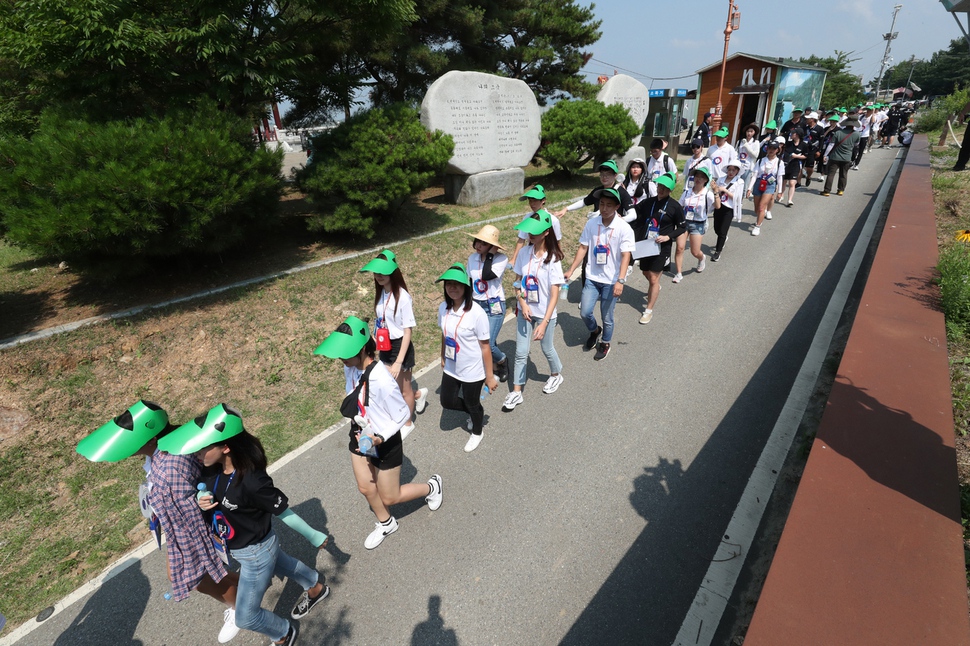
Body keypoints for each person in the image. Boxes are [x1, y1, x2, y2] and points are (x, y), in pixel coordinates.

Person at [159, 404, 331, 646]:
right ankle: (316, 587)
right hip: (246, 547)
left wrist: (313, 535)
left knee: (246, 617)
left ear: (226, 447)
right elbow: (204, 490)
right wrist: (201, 499)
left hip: (257, 552)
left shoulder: (253, 481)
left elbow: (284, 512)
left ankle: (283, 634)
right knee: (286, 565)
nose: (197, 452)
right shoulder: (211, 471)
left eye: (204, 447)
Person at [77, 401, 241, 644]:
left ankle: (242, 608)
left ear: (151, 439)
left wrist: (199, 554)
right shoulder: (164, 453)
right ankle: (247, 587)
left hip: (188, 532)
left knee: (200, 579)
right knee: (194, 577)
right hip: (180, 527)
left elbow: (190, 519)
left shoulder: (168, 469)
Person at [314, 317, 443, 543]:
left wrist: (379, 437)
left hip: (385, 440)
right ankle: (386, 523)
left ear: (363, 349)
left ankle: (432, 487)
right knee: (365, 487)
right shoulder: (350, 369)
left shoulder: (382, 378)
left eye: (346, 353)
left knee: (391, 496)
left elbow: (403, 413)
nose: (341, 358)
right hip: (361, 434)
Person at [359, 250, 428, 439]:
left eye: (382, 272)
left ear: (392, 272)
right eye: (376, 272)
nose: (378, 276)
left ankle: (407, 422)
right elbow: (380, 319)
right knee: (392, 387)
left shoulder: (403, 297)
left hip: (400, 347)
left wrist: (398, 362)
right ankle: (419, 395)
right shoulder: (381, 293)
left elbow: (407, 331)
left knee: (402, 389)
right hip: (384, 344)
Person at [502, 210, 566, 411]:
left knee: (547, 348)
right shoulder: (523, 253)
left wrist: (545, 322)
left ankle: (556, 374)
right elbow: (517, 282)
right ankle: (516, 392)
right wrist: (521, 302)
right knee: (521, 352)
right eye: (529, 231)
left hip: (546, 313)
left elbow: (555, 294)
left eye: (535, 231)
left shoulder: (554, 258)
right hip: (525, 310)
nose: (530, 234)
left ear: (546, 232)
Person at [564, 188, 635, 361]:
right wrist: (571, 269)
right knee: (585, 312)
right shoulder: (592, 223)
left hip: (611, 281)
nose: (604, 208)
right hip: (592, 277)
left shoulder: (624, 228)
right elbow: (583, 247)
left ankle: (605, 342)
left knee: (607, 316)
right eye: (602, 204)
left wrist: (621, 280)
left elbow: (626, 255)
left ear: (617, 206)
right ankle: (595, 331)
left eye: (608, 205)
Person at [435, 263, 499, 452]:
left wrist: (489, 376)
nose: (452, 288)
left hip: (473, 369)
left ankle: (478, 431)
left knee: (472, 402)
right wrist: (442, 356)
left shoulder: (477, 313)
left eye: (457, 284)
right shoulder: (443, 308)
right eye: (449, 284)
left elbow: (485, 347)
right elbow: (444, 334)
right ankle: (475, 412)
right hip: (451, 365)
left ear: (466, 287)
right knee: (447, 401)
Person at [631, 173, 686, 324]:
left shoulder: (675, 207)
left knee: (654, 278)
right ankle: (655, 285)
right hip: (645, 244)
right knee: (645, 272)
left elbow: (682, 227)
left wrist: (669, 236)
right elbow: (634, 211)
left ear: (670, 190)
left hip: (661, 247)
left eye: (664, 188)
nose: (661, 189)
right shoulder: (648, 202)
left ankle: (648, 310)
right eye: (659, 186)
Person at [465, 225, 510, 383]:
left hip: (494, 305)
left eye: (483, 244)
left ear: (492, 246)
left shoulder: (501, 259)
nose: (478, 246)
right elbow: (469, 281)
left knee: (488, 343)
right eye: (477, 241)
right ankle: (494, 368)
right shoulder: (472, 258)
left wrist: (490, 255)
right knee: (485, 339)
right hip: (477, 304)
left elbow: (486, 275)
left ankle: (502, 361)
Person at [554, 160, 634, 222]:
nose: (604, 177)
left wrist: (621, 220)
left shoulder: (622, 192)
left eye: (608, 174)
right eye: (602, 174)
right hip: (598, 227)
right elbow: (584, 202)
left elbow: (633, 215)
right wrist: (566, 209)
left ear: (615, 176)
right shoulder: (598, 191)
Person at [678, 167, 719, 276]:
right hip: (685, 222)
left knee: (695, 251)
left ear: (706, 180)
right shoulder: (687, 192)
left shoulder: (707, 194)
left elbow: (718, 206)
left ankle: (701, 258)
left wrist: (716, 192)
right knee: (679, 247)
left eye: (702, 177)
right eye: (697, 176)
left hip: (698, 224)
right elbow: (679, 206)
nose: (698, 179)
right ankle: (678, 273)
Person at [512, 185, 563, 266]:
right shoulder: (527, 218)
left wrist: (557, 260)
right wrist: (513, 259)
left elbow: (557, 242)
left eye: (535, 200)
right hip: (531, 255)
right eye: (530, 201)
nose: (532, 204)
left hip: (547, 257)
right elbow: (521, 239)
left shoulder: (553, 220)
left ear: (543, 200)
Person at [821, 113, 861, 197]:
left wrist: (825, 155)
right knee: (843, 174)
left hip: (835, 157)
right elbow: (856, 145)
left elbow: (831, 145)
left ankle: (827, 191)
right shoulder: (857, 134)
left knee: (831, 174)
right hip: (847, 157)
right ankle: (840, 190)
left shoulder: (838, 133)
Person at [711, 160, 745, 261]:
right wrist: (714, 188)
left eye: (733, 170)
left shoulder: (739, 182)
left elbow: (738, 198)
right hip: (718, 205)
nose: (731, 172)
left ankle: (717, 251)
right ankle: (723, 238)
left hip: (729, 208)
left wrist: (725, 190)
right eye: (729, 169)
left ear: (737, 171)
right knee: (716, 228)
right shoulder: (721, 179)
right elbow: (715, 191)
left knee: (722, 231)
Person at [750, 140, 783, 236]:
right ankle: (761, 215)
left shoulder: (779, 162)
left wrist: (780, 191)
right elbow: (755, 175)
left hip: (770, 184)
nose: (771, 150)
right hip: (759, 183)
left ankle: (758, 226)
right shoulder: (761, 160)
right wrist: (749, 188)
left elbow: (780, 177)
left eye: (774, 148)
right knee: (757, 208)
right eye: (770, 148)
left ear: (777, 150)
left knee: (761, 206)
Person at [781, 128, 808, 207]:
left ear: (797, 135)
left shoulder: (804, 145)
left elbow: (805, 156)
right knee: (784, 181)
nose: (791, 134)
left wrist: (796, 156)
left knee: (792, 183)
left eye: (793, 133)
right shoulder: (788, 144)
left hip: (796, 165)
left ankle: (789, 200)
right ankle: (781, 195)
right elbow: (784, 153)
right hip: (786, 164)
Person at [737, 124, 761, 199]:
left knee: (744, 186)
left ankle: (740, 202)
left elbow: (755, 155)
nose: (749, 133)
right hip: (739, 165)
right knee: (736, 184)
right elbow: (736, 152)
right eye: (748, 131)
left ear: (754, 133)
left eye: (751, 131)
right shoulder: (740, 141)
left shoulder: (756, 142)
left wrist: (747, 146)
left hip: (748, 167)